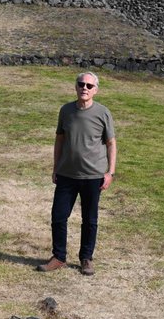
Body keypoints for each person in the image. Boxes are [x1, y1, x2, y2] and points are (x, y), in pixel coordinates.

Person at [37, 71, 116, 275]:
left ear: (95, 90)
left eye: (89, 86)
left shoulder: (103, 113)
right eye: (81, 84)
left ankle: (86, 258)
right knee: (58, 217)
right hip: (67, 175)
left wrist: (110, 173)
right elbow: (59, 140)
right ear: (75, 86)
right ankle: (59, 257)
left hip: (93, 176)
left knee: (90, 220)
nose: (85, 88)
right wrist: (55, 167)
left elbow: (111, 144)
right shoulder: (66, 111)